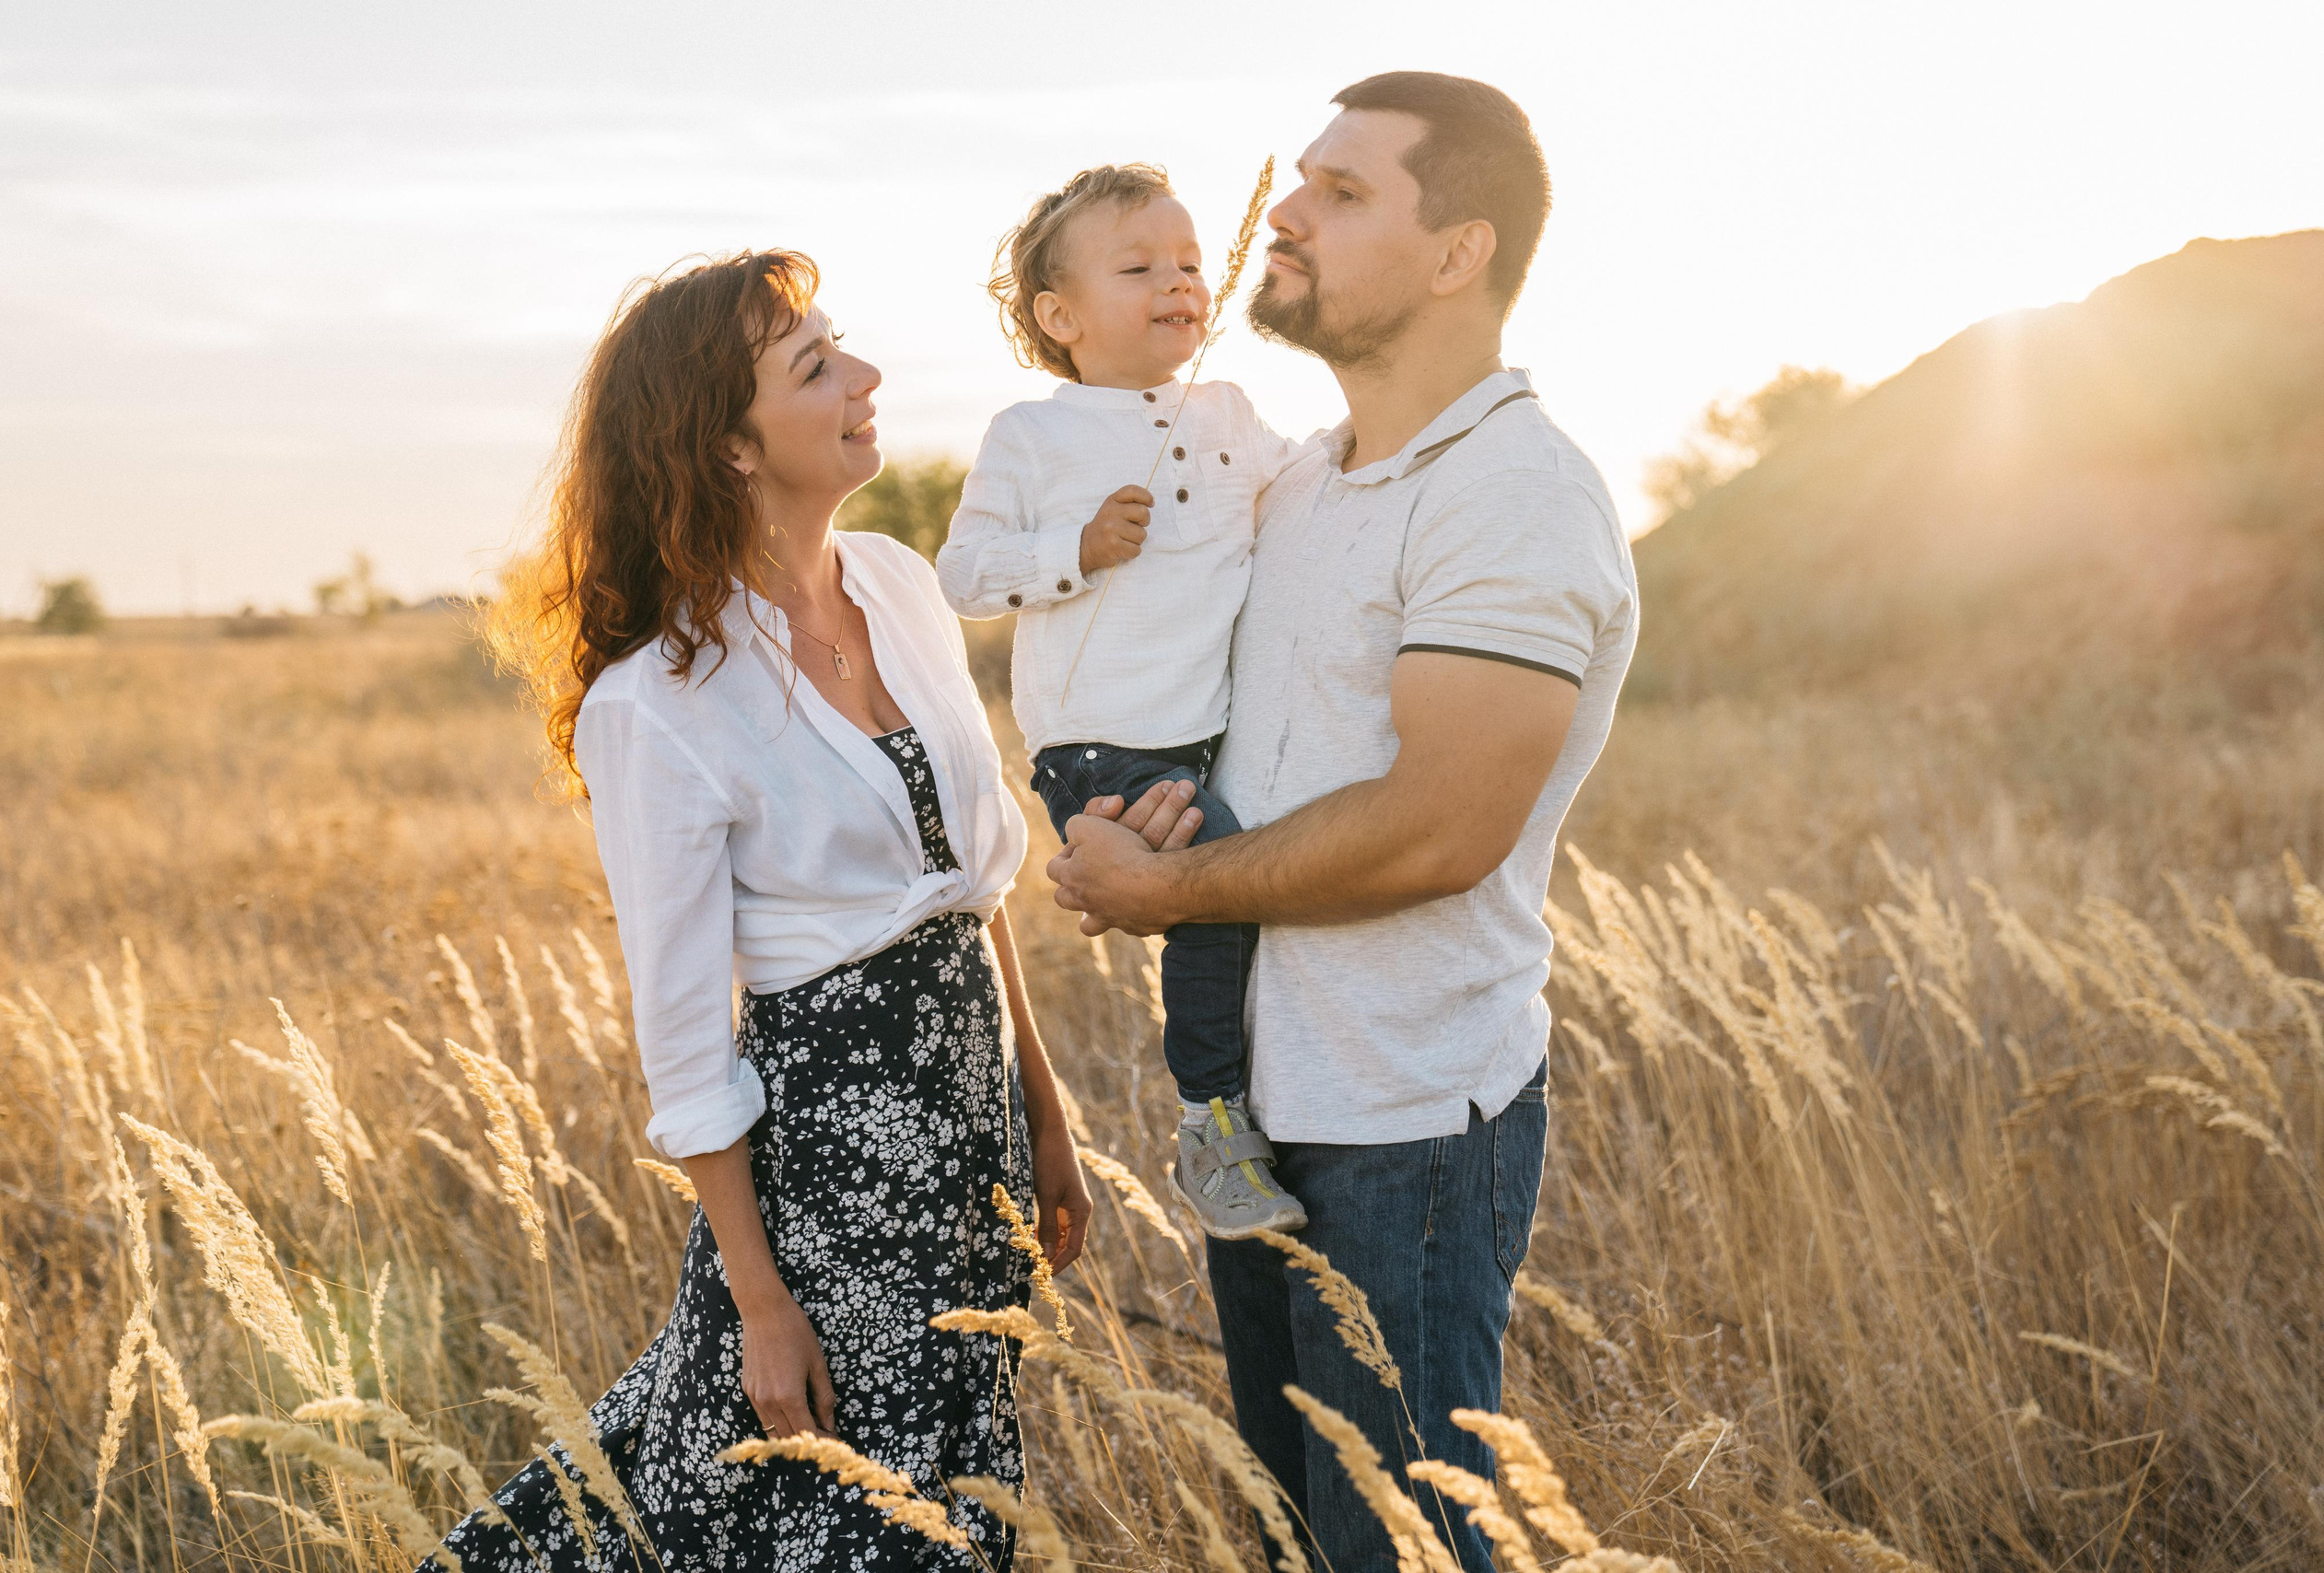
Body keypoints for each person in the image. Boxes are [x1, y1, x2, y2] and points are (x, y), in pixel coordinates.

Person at [1045, 73, 1640, 1573]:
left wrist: (1168, 888)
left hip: (1406, 1121)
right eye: (1301, 179)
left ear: (1460, 254)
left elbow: (1441, 827)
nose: (1285, 212)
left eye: (1346, 192)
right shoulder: (1305, 476)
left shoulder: (1513, 492)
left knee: (1404, 1548)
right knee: (1295, 1537)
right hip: (1262, 1108)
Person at [443, 250, 1092, 1572]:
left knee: (953, 1487)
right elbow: (684, 1043)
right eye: (815, 369)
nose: (865, 378)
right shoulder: (659, 699)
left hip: (966, 1124)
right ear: (729, 447)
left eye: (841, 348)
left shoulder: (903, 586)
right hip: (828, 1162)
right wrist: (756, 1297)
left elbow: (973, 882)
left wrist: (1044, 1101)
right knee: (828, 1502)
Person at [936, 163, 1308, 1239]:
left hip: (1209, 735)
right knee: (1213, 895)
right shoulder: (1033, 436)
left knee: (1239, 894)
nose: (1178, 282)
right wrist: (1077, 548)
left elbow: (1305, 488)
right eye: (1139, 266)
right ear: (1062, 317)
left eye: (1189, 263)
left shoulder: (1229, 409)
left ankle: (1251, 1097)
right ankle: (1210, 1121)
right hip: (1102, 748)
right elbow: (965, 576)